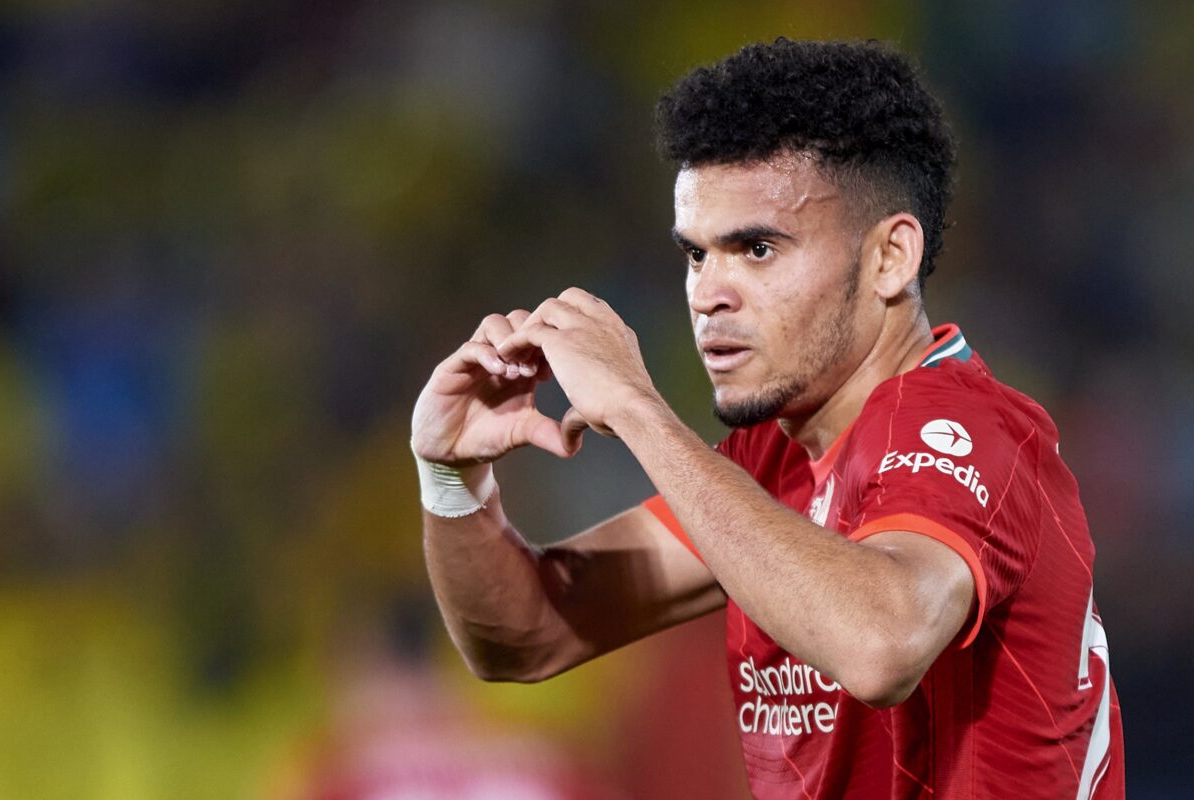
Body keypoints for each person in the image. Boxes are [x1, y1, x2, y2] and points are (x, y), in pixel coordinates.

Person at [409, 38, 1124, 799]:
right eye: (696, 255)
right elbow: (525, 634)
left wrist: (638, 408)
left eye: (756, 249)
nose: (709, 293)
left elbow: (882, 642)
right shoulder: (769, 462)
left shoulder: (968, 429)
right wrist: (451, 477)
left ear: (890, 257)